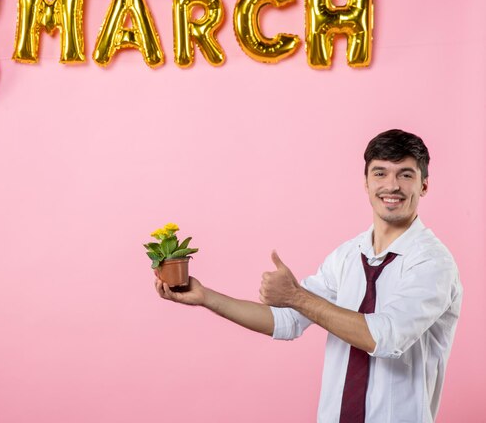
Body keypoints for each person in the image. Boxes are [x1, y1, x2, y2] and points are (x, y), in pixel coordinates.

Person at [155, 129, 462, 423]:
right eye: (380, 173)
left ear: (423, 185)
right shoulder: (346, 256)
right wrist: (206, 296)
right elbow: (287, 320)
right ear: (366, 183)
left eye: (405, 174)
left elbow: (384, 337)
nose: (391, 186)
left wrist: (297, 296)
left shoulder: (433, 263)